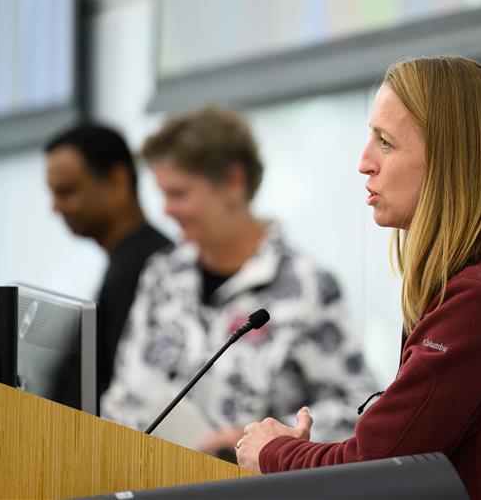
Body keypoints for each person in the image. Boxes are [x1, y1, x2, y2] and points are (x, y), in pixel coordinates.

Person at [236, 56, 481, 499]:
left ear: (450, 160)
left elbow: (376, 466)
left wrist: (274, 452)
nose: (364, 162)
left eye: (385, 142)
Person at [100, 106, 378, 460]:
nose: (166, 210)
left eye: (179, 193)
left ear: (233, 183)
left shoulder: (307, 286)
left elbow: (359, 409)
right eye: (163, 194)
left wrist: (271, 439)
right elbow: (122, 398)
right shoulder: (161, 274)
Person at [45, 124, 172, 399]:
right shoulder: (131, 262)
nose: (55, 208)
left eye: (67, 192)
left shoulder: (152, 269)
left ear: (117, 181)